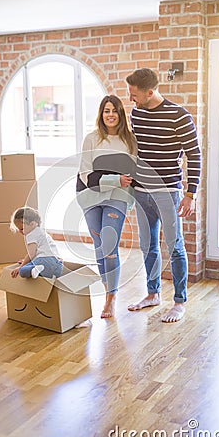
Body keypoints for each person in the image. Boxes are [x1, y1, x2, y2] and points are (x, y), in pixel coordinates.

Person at [125, 68, 201, 323]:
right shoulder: (136, 113)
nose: (131, 99)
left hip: (168, 192)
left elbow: (195, 155)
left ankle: (179, 302)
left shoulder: (179, 115)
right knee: (148, 246)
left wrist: (191, 194)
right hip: (141, 192)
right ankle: (153, 293)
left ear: (150, 92)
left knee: (175, 246)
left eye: (134, 94)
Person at [76, 95, 137, 319]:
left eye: (115, 111)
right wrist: (114, 179)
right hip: (90, 197)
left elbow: (132, 173)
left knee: (109, 246)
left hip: (117, 197)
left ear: (121, 114)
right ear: (101, 114)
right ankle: (106, 290)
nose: (110, 115)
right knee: (100, 246)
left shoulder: (130, 140)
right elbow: (85, 174)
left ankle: (111, 298)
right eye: (106, 110)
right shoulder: (91, 139)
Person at [10, 206, 63, 280]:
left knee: (22, 271)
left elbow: (31, 254)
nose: (20, 232)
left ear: (32, 224)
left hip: (44, 262)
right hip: (58, 266)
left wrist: (21, 266)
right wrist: (28, 262)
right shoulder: (41, 232)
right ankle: (35, 268)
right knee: (37, 266)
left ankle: (35, 268)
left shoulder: (31, 234)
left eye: (22, 229)